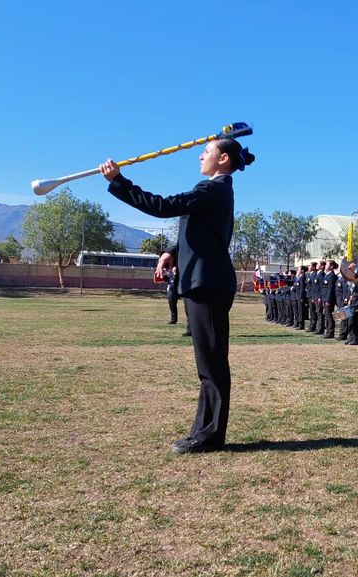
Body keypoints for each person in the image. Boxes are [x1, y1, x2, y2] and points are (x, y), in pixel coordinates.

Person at [98, 136, 254, 454]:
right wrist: (171, 251)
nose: (200, 157)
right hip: (204, 282)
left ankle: (209, 435)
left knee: (211, 364)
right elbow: (201, 231)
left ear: (223, 159)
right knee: (207, 362)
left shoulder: (213, 188)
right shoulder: (216, 191)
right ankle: (204, 430)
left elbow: (164, 207)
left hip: (208, 284)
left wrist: (119, 182)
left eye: (207, 152)